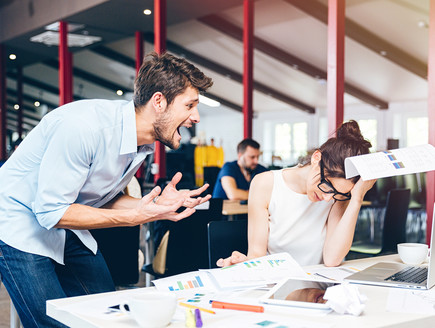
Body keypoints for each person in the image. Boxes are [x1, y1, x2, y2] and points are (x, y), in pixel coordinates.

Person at [0, 52, 213, 327]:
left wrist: (152, 206)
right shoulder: (85, 129)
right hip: (19, 222)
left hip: (64, 220)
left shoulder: (141, 142)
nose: (195, 117)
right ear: (158, 101)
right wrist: (133, 217)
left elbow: (107, 199)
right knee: (53, 322)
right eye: (190, 105)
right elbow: (50, 211)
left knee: (108, 314)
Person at [217, 121, 375, 268]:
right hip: (277, 287)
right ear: (316, 158)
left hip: (318, 292)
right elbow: (257, 254)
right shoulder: (265, 184)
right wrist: (242, 264)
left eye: (337, 194)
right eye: (328, 186)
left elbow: (332, 259)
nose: (328, 198)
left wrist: (356, 199)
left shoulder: (339, 196)